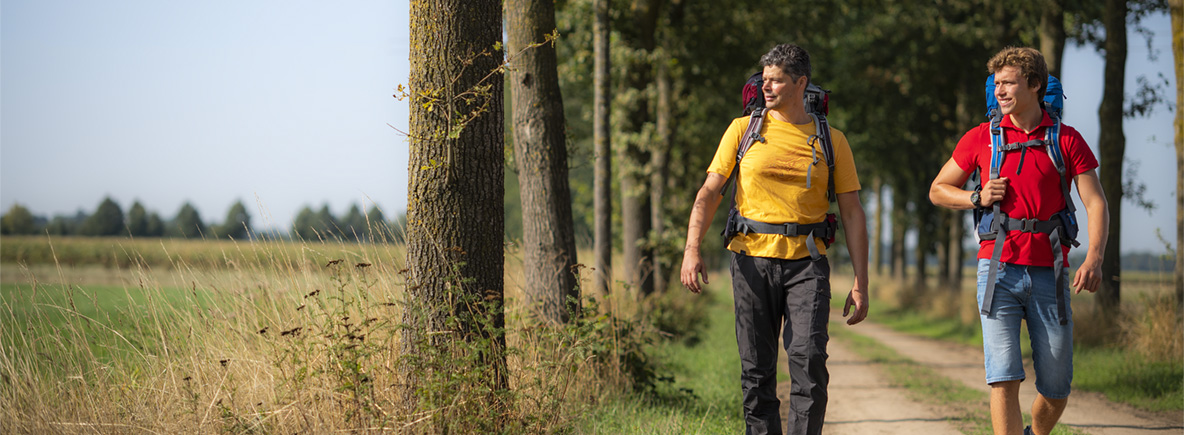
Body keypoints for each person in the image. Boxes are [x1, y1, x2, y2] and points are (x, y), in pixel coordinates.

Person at [680, 43, 870, 435]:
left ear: (801, 83)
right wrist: (692, 249)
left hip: (807, 264)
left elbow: (852, 213)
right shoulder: (742, 130)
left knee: (810, 361)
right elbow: (709, 193)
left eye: (777, 80)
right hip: (750, 261)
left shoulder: (832, 140)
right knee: (756, 371)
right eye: (764, 79)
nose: (767, 87)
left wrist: (861, 282)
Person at [929, 47, 1108, 435]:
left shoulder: (1067, 139)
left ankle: (1036, 433)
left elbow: (1096, 203)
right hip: (997, 269)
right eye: (996, 85)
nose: (1000, 91)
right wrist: (976, 197)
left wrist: (1094, 256)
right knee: (1004, 376)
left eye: (1008, 83)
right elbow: (939, 190)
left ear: (1035, 85)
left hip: (1051, 272)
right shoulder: (982, 137)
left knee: (1057, 387)